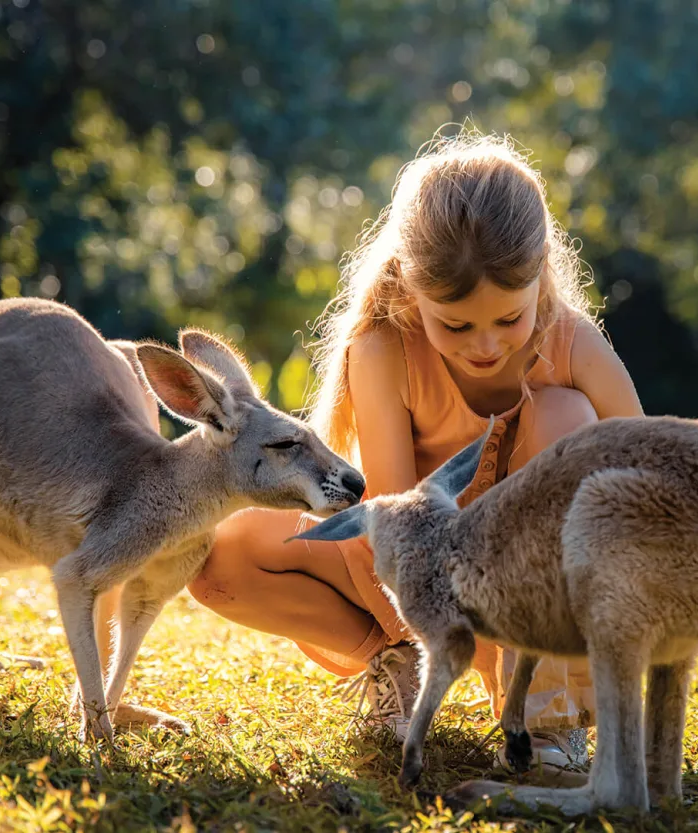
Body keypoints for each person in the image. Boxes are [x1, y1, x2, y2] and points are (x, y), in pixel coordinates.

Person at [187, 133, 644, 771]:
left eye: (508, 320)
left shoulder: (571, 343)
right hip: (420, 568)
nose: (486, 345)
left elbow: (651, 467)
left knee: (566, 414)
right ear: (409, 288)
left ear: (541, 271)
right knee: (220, 557)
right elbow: (397, 513)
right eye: (455, 325)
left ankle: (546, 715)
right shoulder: (384, 348)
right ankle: (391, 659)